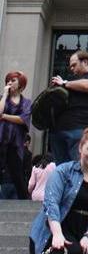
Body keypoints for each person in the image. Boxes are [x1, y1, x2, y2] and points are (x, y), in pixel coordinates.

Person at [49, 50, 88, 165]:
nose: (71, 68)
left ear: (85, 62)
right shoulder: (72, 82)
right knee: (64, 172)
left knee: (80, 170)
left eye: (74, 65)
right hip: (60, 132)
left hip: (81, 129)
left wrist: (64, 83)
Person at [0, 71, 32, 199]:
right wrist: (5, 95)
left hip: (15, 142)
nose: (9, 82)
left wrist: (4, 117)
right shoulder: (3, 98)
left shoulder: (26, 102)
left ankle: (24, 202)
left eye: (13, 80)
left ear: (21, 84)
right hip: (1, 138)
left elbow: (23, 119)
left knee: (17, 173)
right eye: (8, 80)